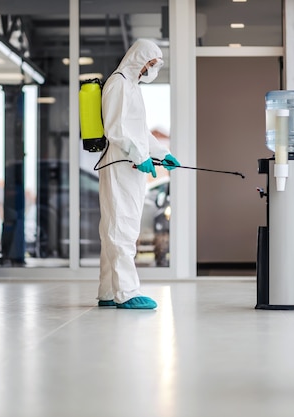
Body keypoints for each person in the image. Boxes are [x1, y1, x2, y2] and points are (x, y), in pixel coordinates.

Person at [97, 39, 180, 309]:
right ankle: (127, 292)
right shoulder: (118, 83)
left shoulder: (130, 87)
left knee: (115, 228)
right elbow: (115, 130)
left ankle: (108, 291)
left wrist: (160, 153)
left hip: (129, 166)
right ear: (139, 58)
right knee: (121, 227)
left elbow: (139, 132)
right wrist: (140, 156)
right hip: (120, 166)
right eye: (150, 63)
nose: (151, 69)